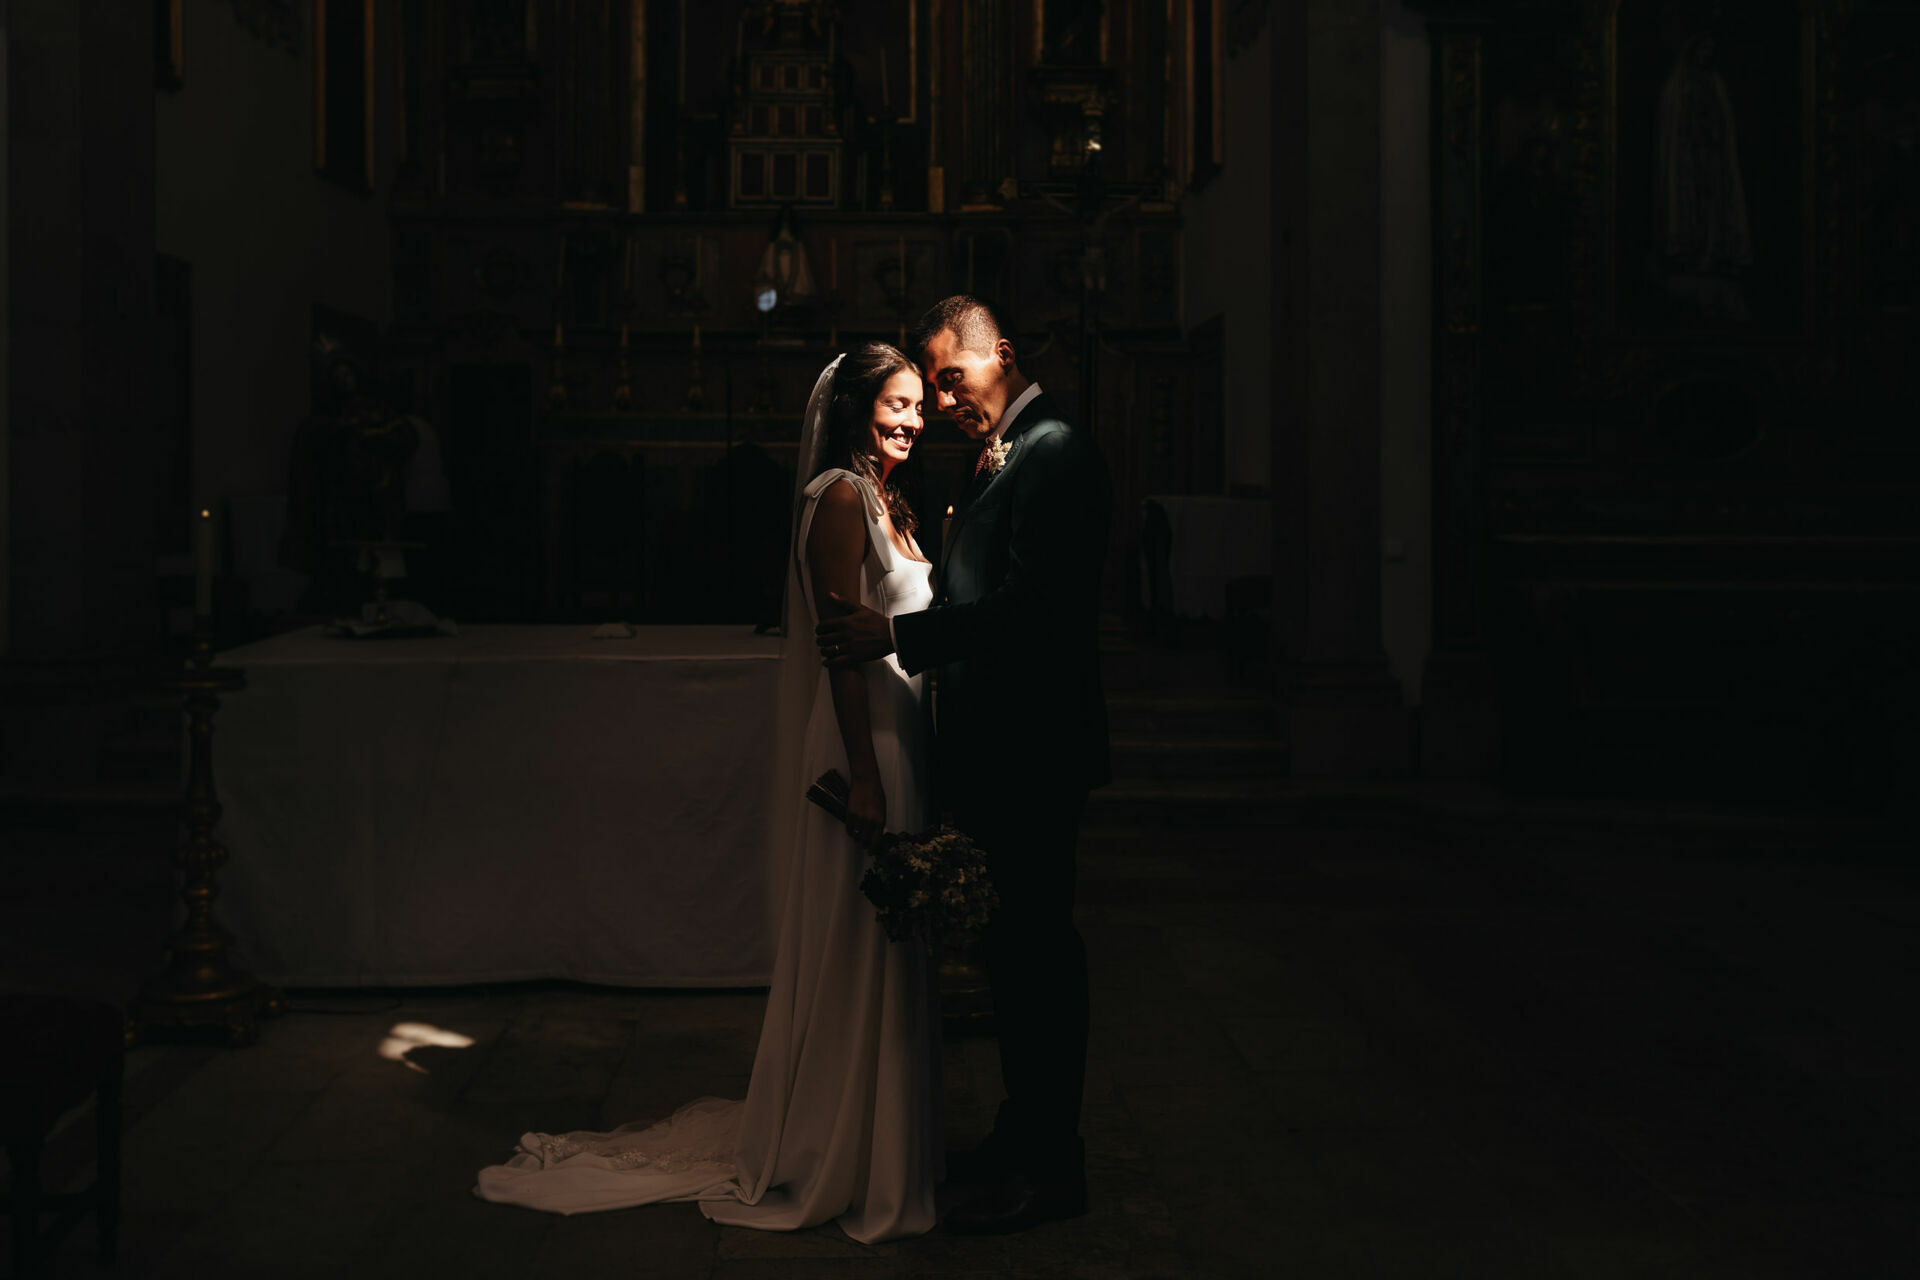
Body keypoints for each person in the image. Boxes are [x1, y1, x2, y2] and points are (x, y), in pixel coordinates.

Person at [475, 344, 942, 1244]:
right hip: (867, 743)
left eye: (919, 406)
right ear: (854, 410)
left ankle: (880, 1142)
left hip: (902, 737)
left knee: (887, 947)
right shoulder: (839, 498)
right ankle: (840, 1149)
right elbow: (842, 652)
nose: (912, 421)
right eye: (896, 404)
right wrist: (866, 774)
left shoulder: (888, 497)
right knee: (857, 944)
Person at [816, 296, 1112, 1235]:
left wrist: (898, 635)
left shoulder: (1055, 449)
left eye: (952, 378)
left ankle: (1052, 1164)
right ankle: (1021, 1135)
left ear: (1004, 355)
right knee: (1009, 956)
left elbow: (1034, 608)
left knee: (1039, 958)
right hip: (996, 750)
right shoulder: (1000, 454)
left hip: (1036, 751)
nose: (943, 402)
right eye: (934, 385)